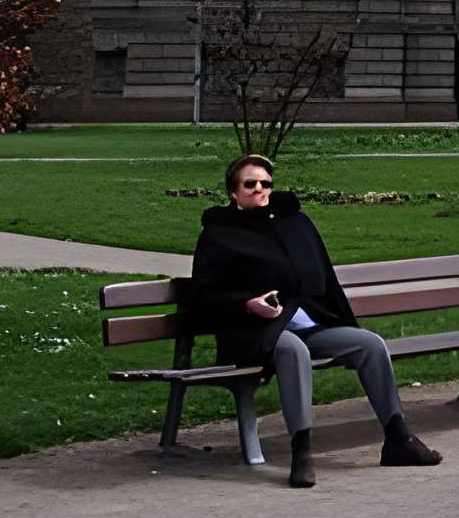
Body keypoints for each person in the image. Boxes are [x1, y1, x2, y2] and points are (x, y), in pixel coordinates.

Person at [186, 154, 443, 488]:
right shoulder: (219, 234)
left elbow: (326, 278)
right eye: (250, 184)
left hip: (307, 321)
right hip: (253, 330)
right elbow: (204, 296)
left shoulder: (295, 223)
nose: (260, 189)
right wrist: (248, 305)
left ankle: (399, 439)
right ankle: (301, 449)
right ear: (233, 191)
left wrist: (343, 321)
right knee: (294, 351)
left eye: (266, 183)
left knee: (370, 345)